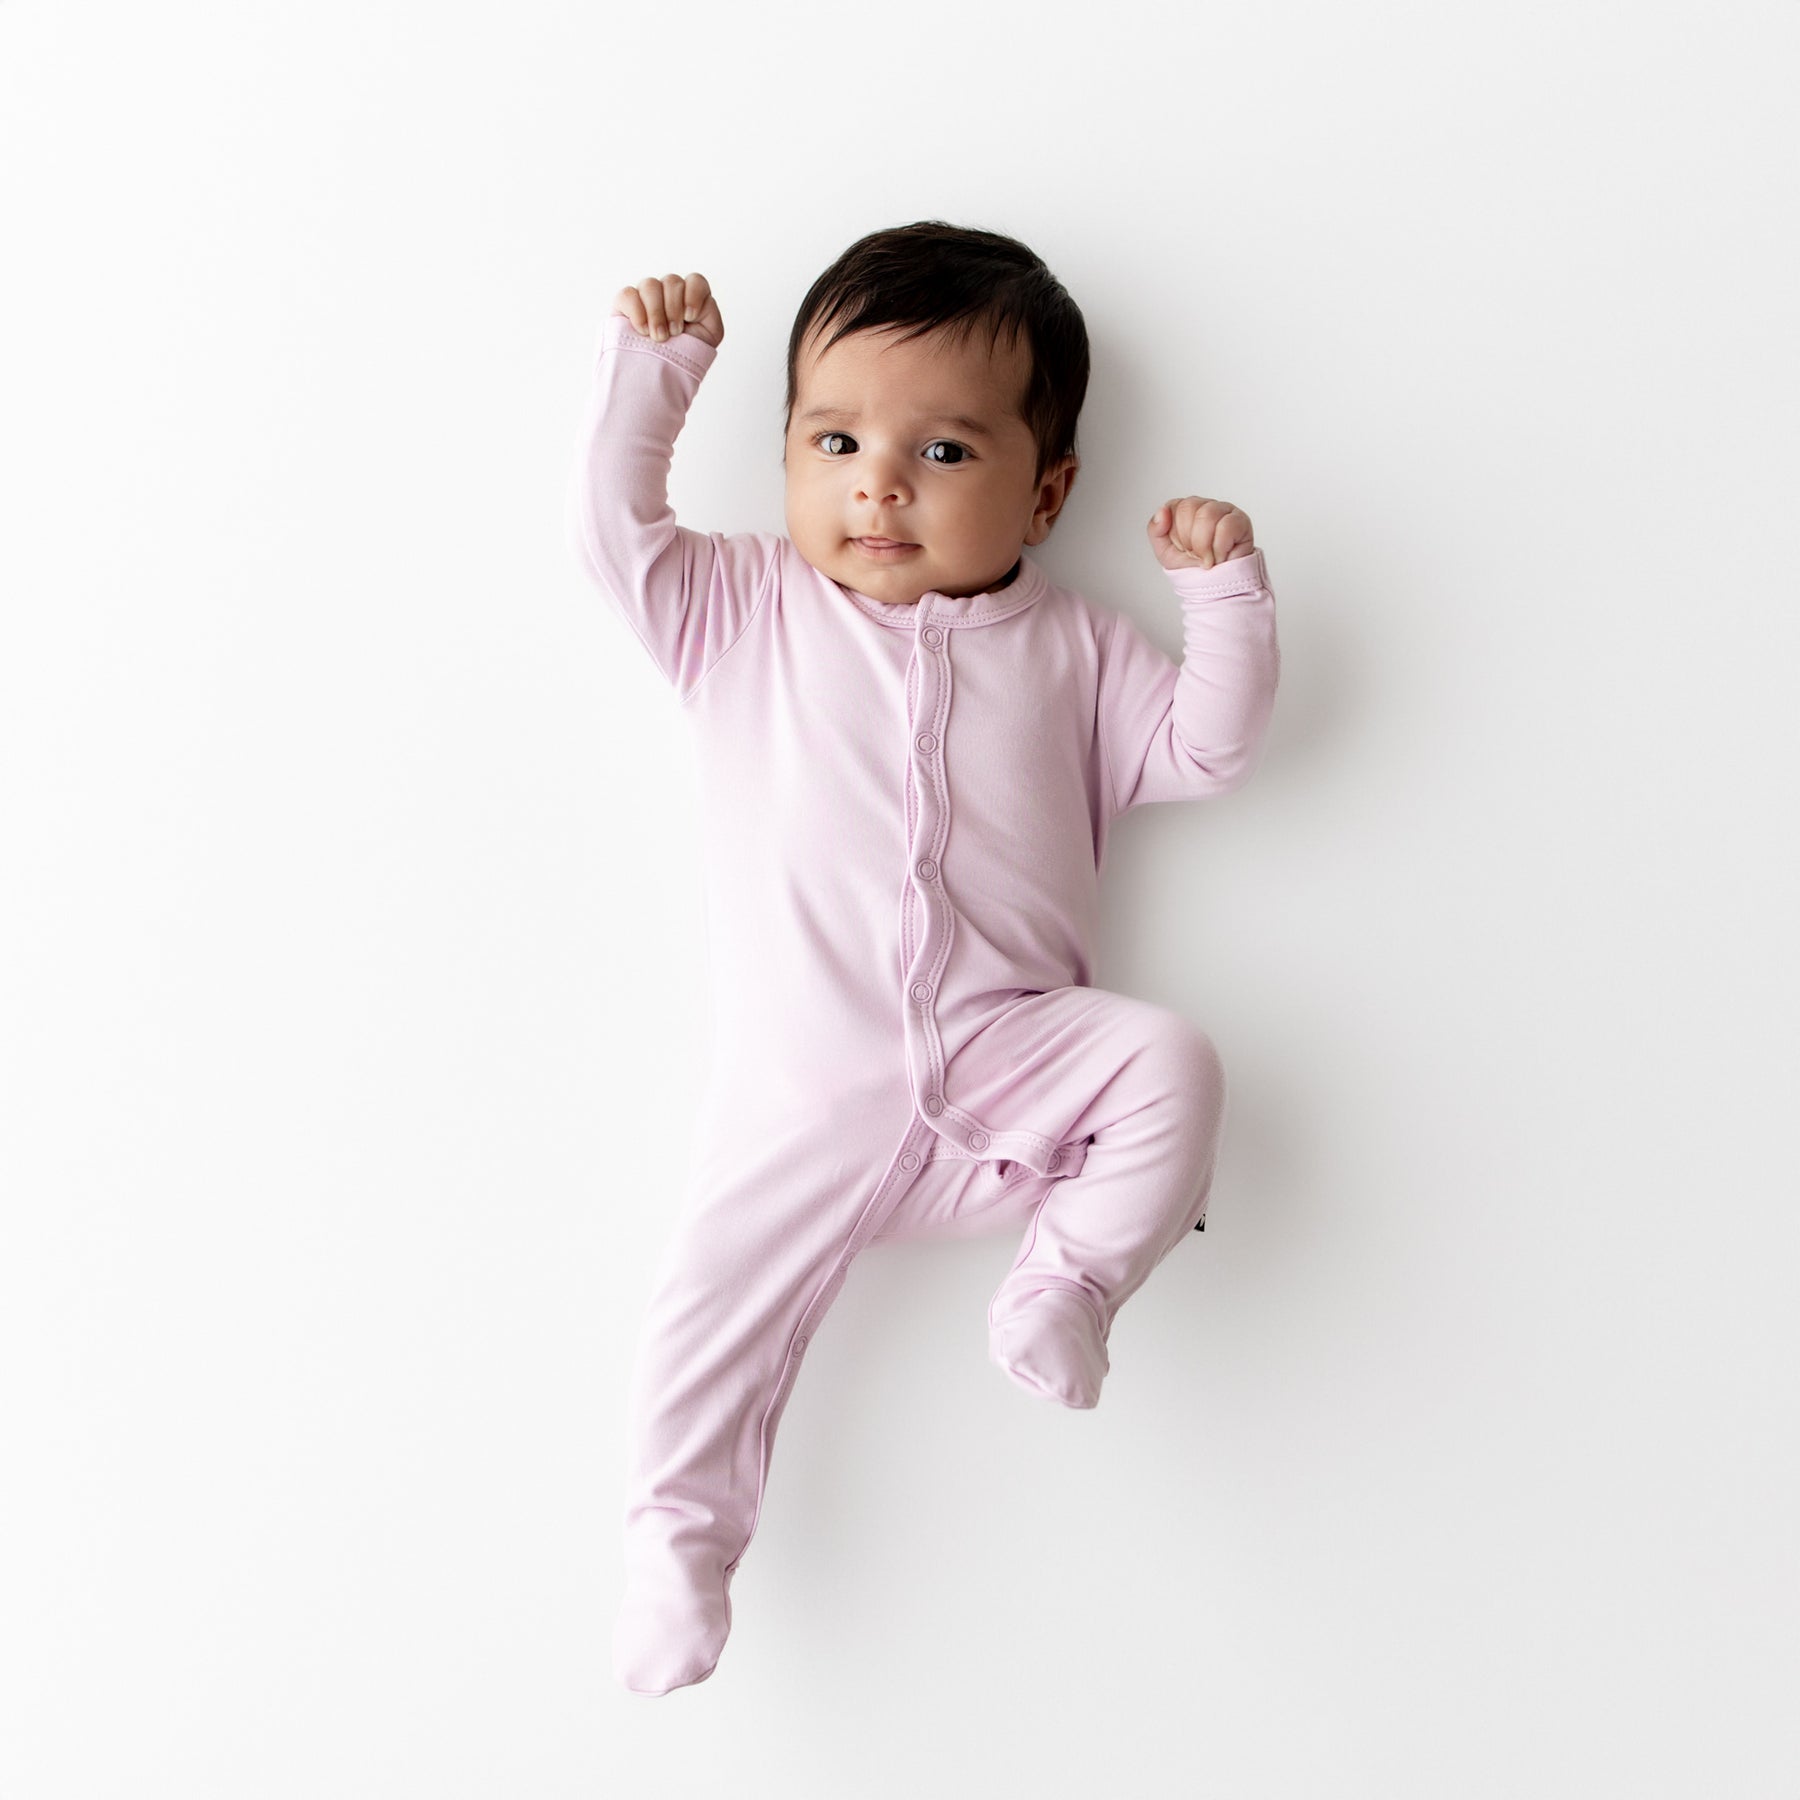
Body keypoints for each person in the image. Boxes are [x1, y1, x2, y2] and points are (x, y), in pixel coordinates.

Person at [565, 221, 1281, 1695]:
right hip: (806, 1089)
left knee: (1173, 1061)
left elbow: (1207, 751)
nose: (878, 483)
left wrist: (1224, 600)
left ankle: (1067, 1282)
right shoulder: (744, 608)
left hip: (1016, 1061)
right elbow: (611, 536)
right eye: (832, 440)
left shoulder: (1073, 648)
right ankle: (676, 1551)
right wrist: (655, 375)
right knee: (710, 1309)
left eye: (945, 454)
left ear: (1049, 488)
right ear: (784, 462)